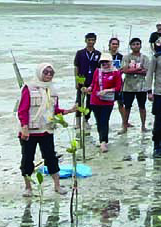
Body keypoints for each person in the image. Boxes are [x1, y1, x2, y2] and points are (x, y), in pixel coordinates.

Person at [18, 63, 76, 196]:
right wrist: (25, 128)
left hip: (46, 130)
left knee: (51, 157)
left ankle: (57, 185)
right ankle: (28, 187)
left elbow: (54, 110)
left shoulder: (52, 90)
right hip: (30, 131)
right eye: (46, 72)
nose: (48, 75)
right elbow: (22, 111)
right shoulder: (28, 88)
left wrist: (69, 111)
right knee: (27, 159)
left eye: (51, 73)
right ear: (39, 73)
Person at [83, 53, 123, 152]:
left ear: (111, 62)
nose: (104, 64)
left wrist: (107, 90)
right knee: (98, 121)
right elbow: (93, 83)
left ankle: (103, 142)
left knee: (104, 121)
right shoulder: (97, 71)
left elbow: (118, 87)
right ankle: (102, 140)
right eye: (102, 62)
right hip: (95, 100)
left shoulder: (116, 73)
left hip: (107, 101)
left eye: (106, 62)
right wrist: (88, 89)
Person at [120, 38, 150, 133]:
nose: (136, 46)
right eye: (134, 44)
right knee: (127, 107)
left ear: (140, 45)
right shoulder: (126, 57)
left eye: (137, 44)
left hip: (141, 86)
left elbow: (147, 71)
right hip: (128, 86)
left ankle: (143, 126)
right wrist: (137, 70)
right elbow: (124, 70)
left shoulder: (144, 57)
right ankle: (124, 126)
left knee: (142, 106)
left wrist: (131, 70)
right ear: (130, 46)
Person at [73, 33, 101, 125]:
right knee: (79, 101)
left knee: (90, 102)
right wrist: (77, 80)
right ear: (85, 40)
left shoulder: (98, 54)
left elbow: (99, 69)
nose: (91, 42)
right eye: (89, 40)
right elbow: (76, 67)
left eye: (93, 40)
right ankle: (78, 121)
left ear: (95, 41)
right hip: (81, 80)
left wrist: (98, 82)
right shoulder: (80, 53)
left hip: (92, 81)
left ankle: (86, 119)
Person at [107, 37, 126, 130]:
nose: (115, 46)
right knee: (107, 103)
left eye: (116, 44)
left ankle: (124, 121)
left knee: (121, 103)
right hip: (107, 82)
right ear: (109, 45)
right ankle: (105, 121)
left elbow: (123, 68)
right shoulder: (105, 56)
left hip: (118, 82)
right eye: (113, 44)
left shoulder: (121, 56)